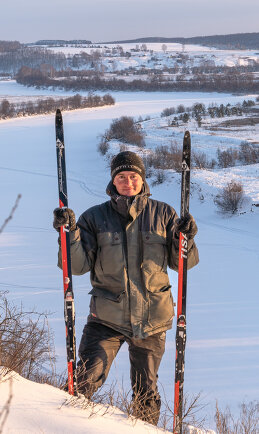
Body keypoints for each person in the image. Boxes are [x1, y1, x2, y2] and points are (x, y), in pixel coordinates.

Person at [53, 151, 199, 425]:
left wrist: (186, 238)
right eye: (122, 177)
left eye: (133, 176)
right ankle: (62, 427)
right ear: (113, 181)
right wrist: (68, 234)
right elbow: (77, 266)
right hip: (106, 318)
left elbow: (182, 264)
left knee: (146, 394)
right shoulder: (94, 218)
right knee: (83, 381)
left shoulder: (164, 214)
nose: (128, 182)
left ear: (142, 180)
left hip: (152, 319)